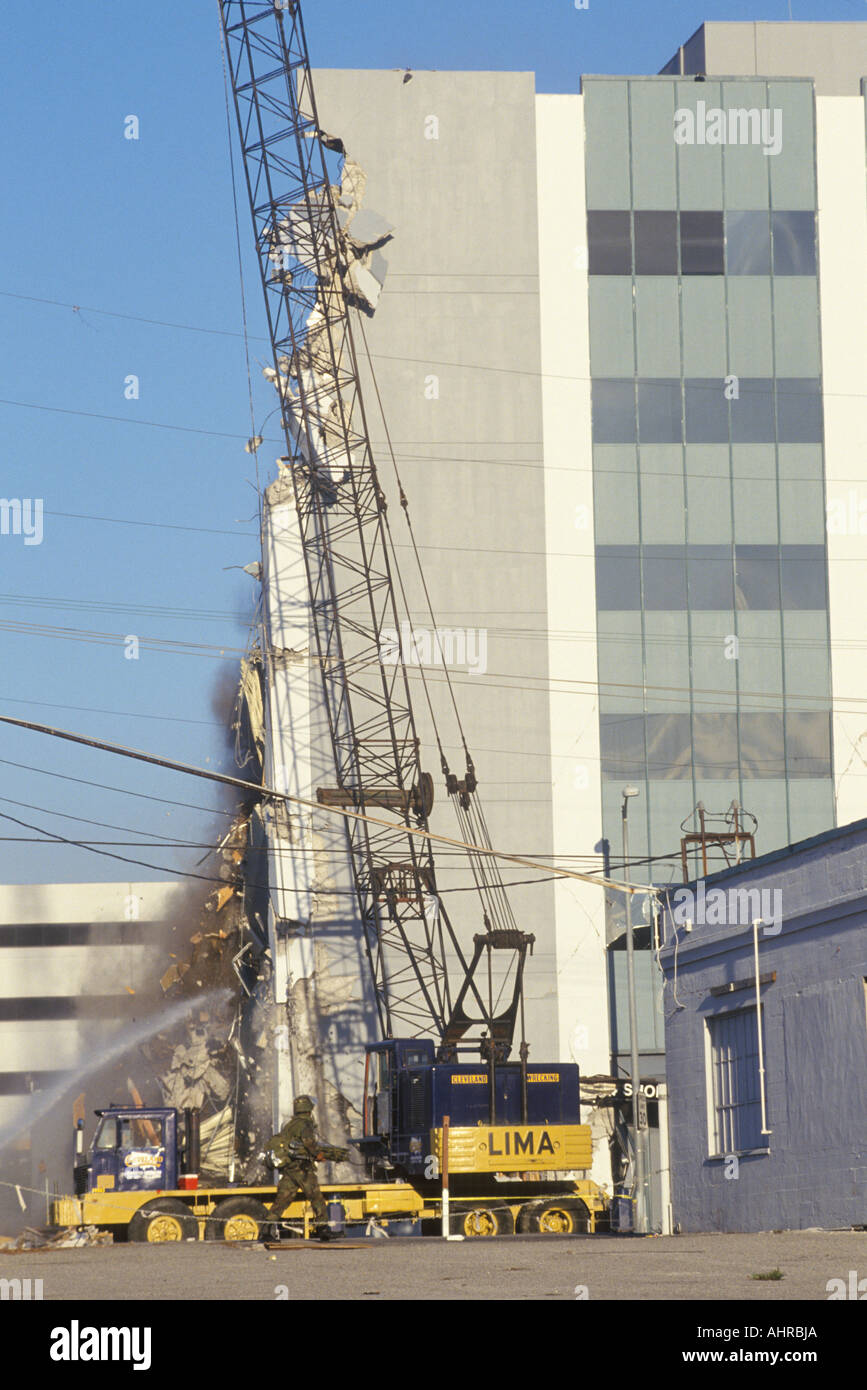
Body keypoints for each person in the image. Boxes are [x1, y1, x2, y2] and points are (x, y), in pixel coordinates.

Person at [266, 1094, 348, 1240]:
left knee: (281, 1201)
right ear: (308, 1109)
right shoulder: (305, 1124)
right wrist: (318, 1155)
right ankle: (323, 1230)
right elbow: (309, 1142)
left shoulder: (290, 1124)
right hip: (302, 1169)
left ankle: (265, 1231)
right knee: (316, 1198)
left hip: (290, 1169)